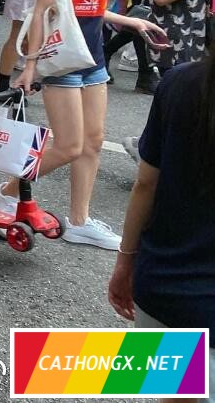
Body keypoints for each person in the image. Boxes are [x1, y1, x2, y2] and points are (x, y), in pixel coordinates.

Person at [0, 0, 167, 250]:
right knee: (70, 146)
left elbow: (92, 7)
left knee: (91, 143)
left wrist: (130, 21)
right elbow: (43, 11)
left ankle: (79, 220)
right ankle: (6, 192)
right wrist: (28, 65)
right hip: (61, 60)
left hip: (93, 58)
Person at [108, 58, 215, 359]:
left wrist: (125, 262)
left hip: (165, 287)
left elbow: (146, 184)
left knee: (177, 388)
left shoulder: (179, 82)